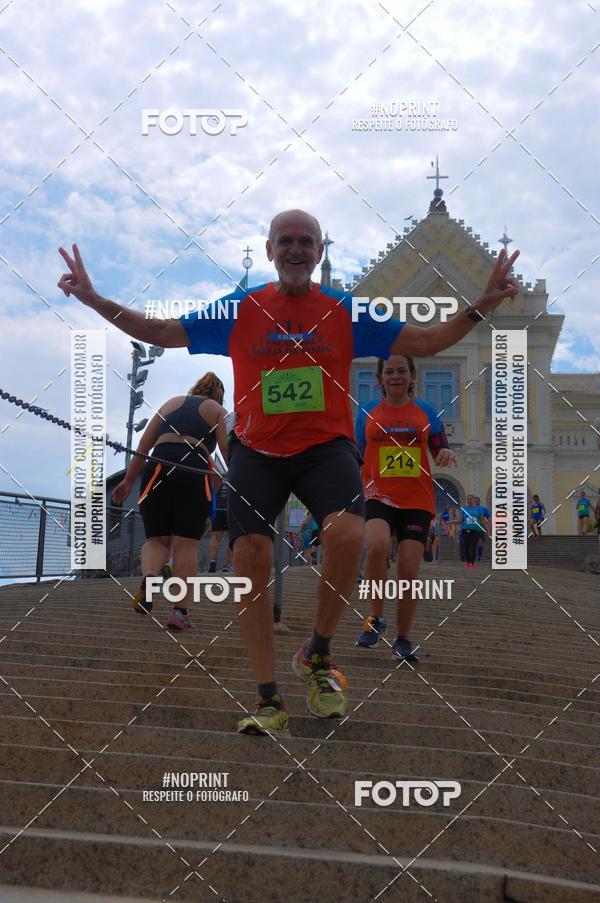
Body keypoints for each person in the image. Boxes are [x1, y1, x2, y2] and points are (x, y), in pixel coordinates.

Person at [58, 211, 519, 735]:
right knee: (249, 555)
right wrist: (95, 300)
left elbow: (429, 341)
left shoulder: (343, 310)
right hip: (256, 451)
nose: (296, 249)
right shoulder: (243, 307)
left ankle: (317, 652)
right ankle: (267, 697)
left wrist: (481, 306)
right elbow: (160, 331)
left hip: (326, 449)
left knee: (347, 535)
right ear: (271, 248)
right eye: (286, 241)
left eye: (306, 241)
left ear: (319, 251)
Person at [354, 355, 457, 661]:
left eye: (402, 371)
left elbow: (440, 446)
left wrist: (445, 455)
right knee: (376, 546)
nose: (395, 376)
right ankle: (375, 618)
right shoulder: (367, 412)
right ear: (380, 378)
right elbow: (356, 452)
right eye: (389, 371)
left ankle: (403, 638)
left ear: (412, 376)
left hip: (416, 499)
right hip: (377, 493)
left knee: (409, 569)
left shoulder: (426, 412)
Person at [111, 373, 228, 629]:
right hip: (194, 468)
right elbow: (229, 451)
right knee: (186, 545)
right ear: (219, 394)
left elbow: (144, 443)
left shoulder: (171, 403)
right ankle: (179, 612)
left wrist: (129, 480)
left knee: (156, 540)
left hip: (158, 464)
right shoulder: (219, 411)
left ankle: (150, 575)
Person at [208, 482, 234, 573]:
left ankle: (212, 562)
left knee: (215, 537)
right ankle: (227, 565)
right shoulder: (233, 474)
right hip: (231, 510)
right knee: (232, 538)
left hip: (217, 510)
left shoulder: (216, 474)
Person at [461, 495, 486, 568]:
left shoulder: (479, 509)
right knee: (466, 547)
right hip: (465, 529)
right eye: (468, 499)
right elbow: (461, 520)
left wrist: (486, 530)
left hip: (476, 530)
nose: (469, 501)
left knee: (473, 546)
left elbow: (482, 521)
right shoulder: (464, 508)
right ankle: (468, 561)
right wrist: (450, 522)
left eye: (470, 499)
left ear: (473, 500)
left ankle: (471, 563)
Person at [474, 495, 490, 562]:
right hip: (472, 527)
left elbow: (489, 517)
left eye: (477, 500)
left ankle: (479, 557)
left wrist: (488, 528)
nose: (476, 502)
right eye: (475, 500)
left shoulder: (483, 509)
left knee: (480, 543)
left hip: (481, 527)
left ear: (479, 501)